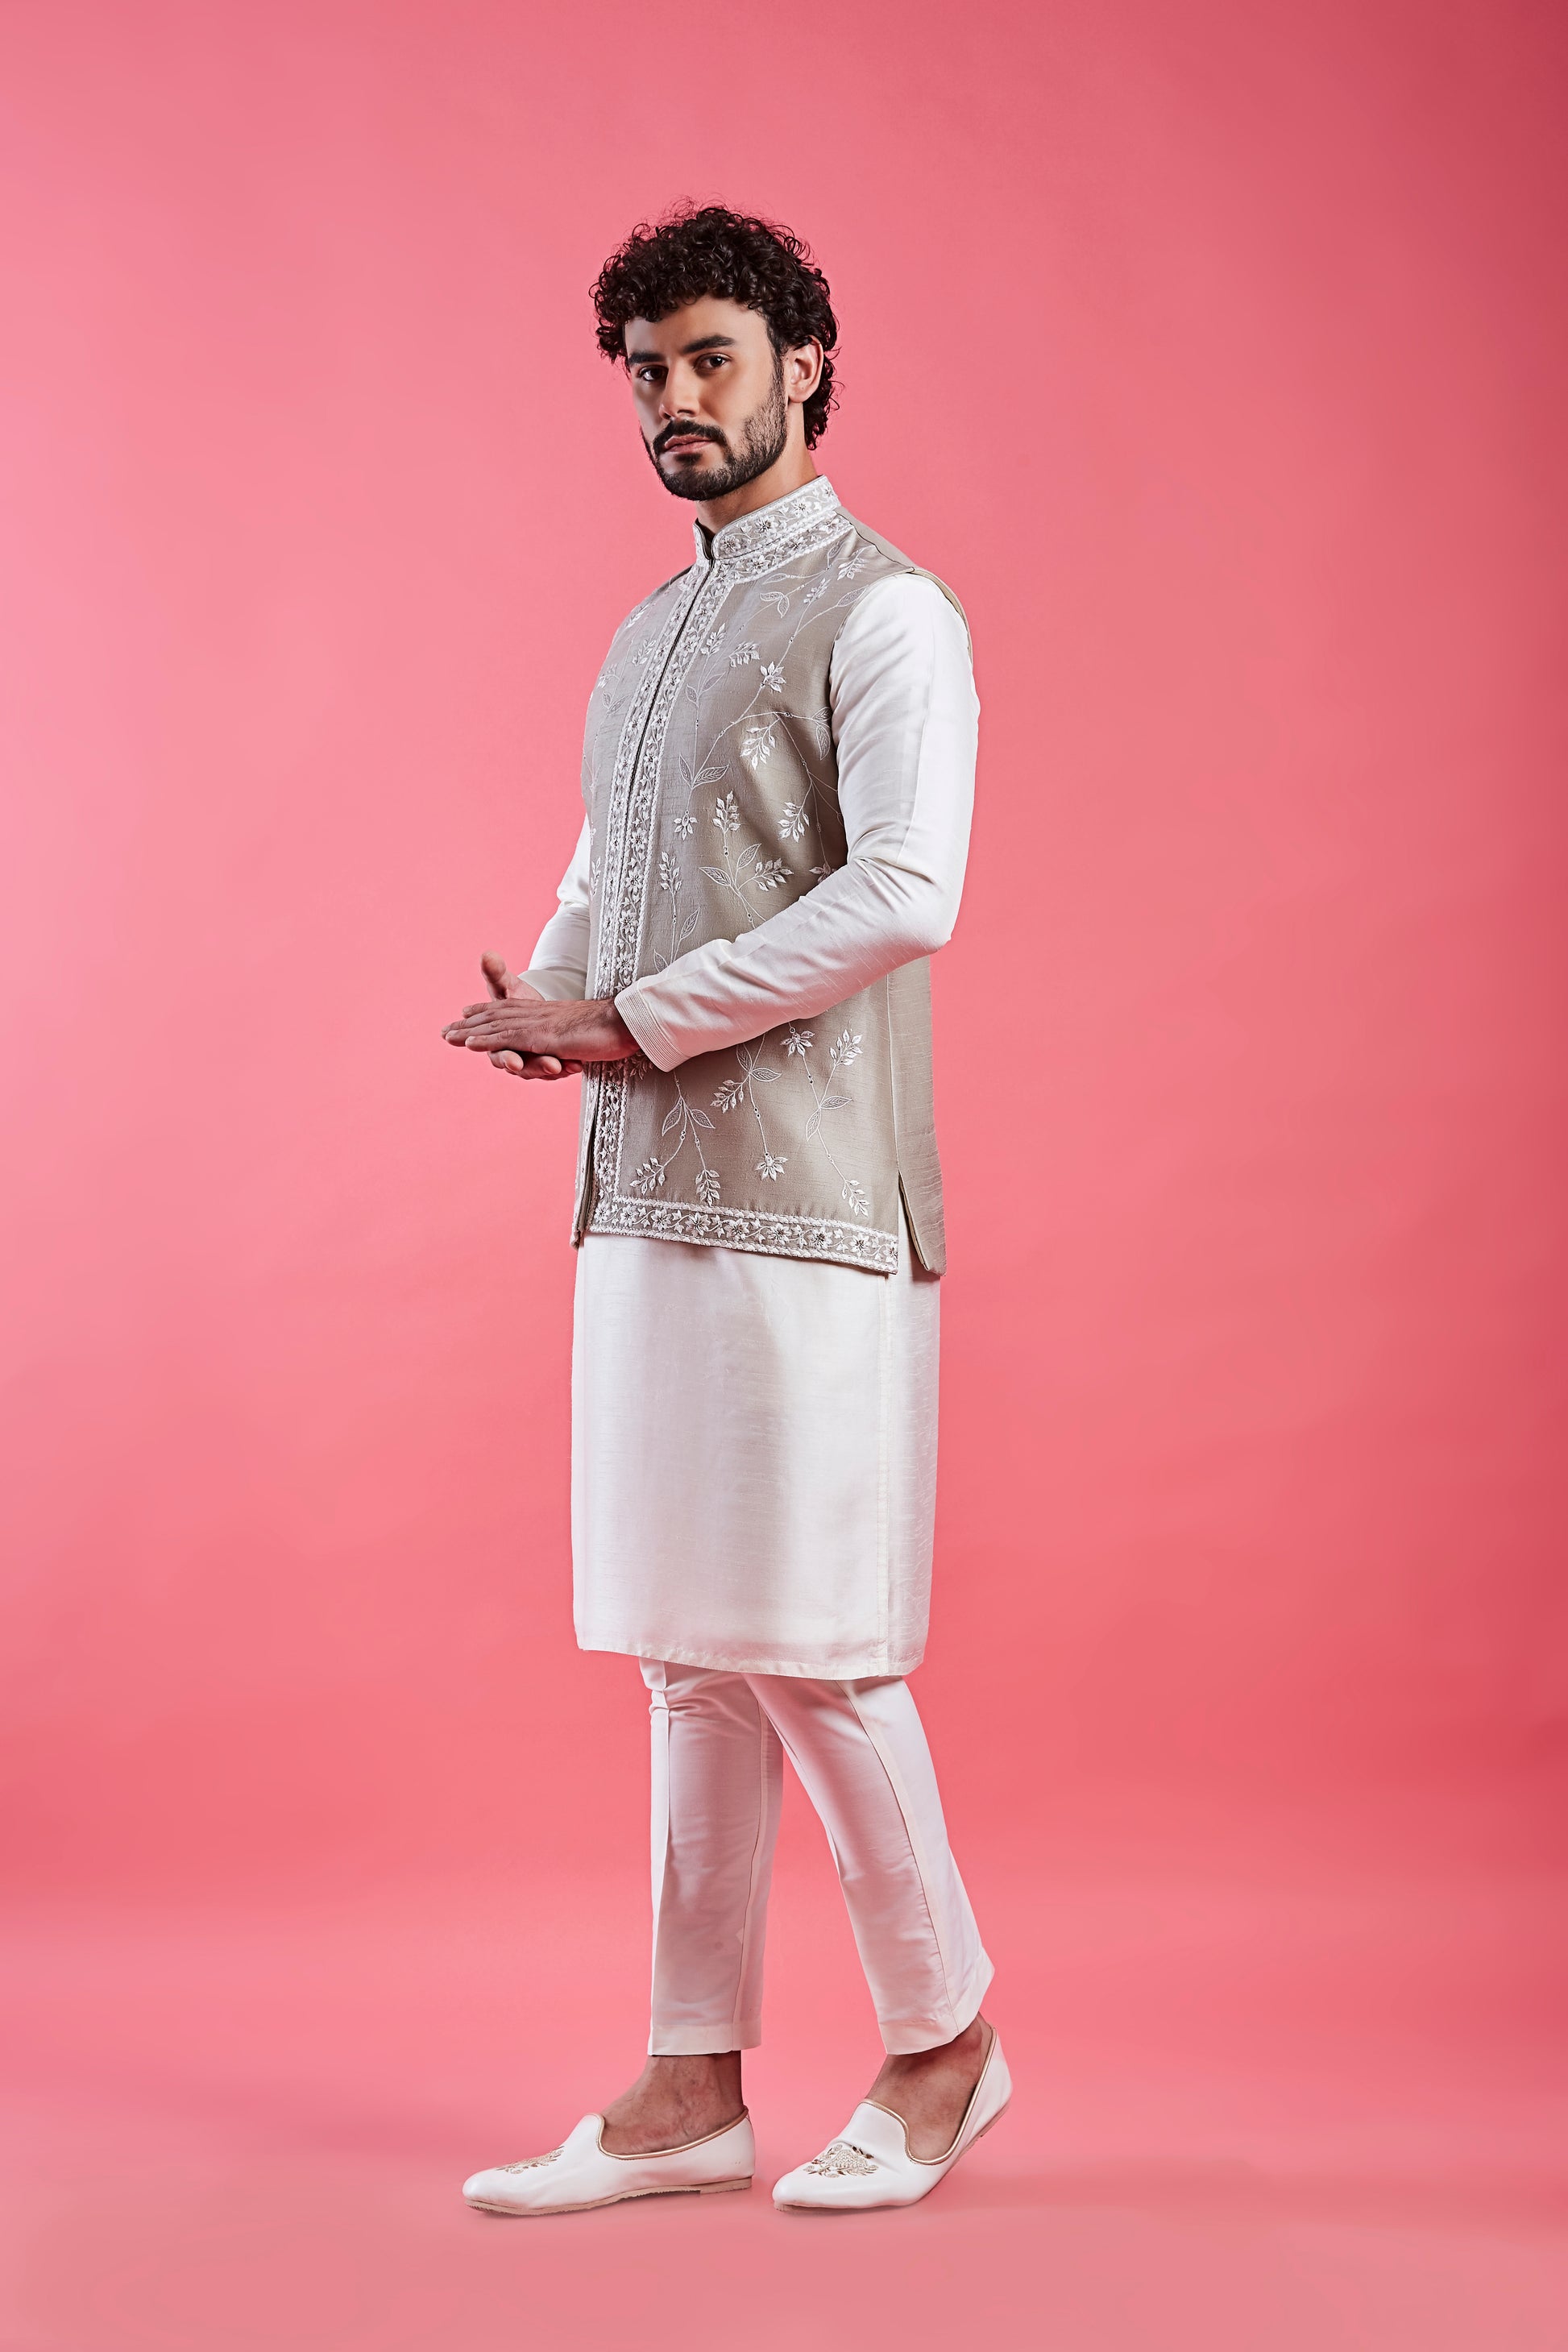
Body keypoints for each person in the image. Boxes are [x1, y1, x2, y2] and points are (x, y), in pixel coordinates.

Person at [442, 204, 1006, 2216]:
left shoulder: (888, 610)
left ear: (802, 366)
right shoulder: (649, 629)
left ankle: (945, 2040)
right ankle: (693, 2082)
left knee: (814, 1643)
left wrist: (635, 1016)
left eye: (708, 359)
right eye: (646, 370)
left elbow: (907, 887)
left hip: (815, 1202)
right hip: (643, 1187)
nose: (674, 400)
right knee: (687, 1650)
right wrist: (546, 991)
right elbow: (610, 853)